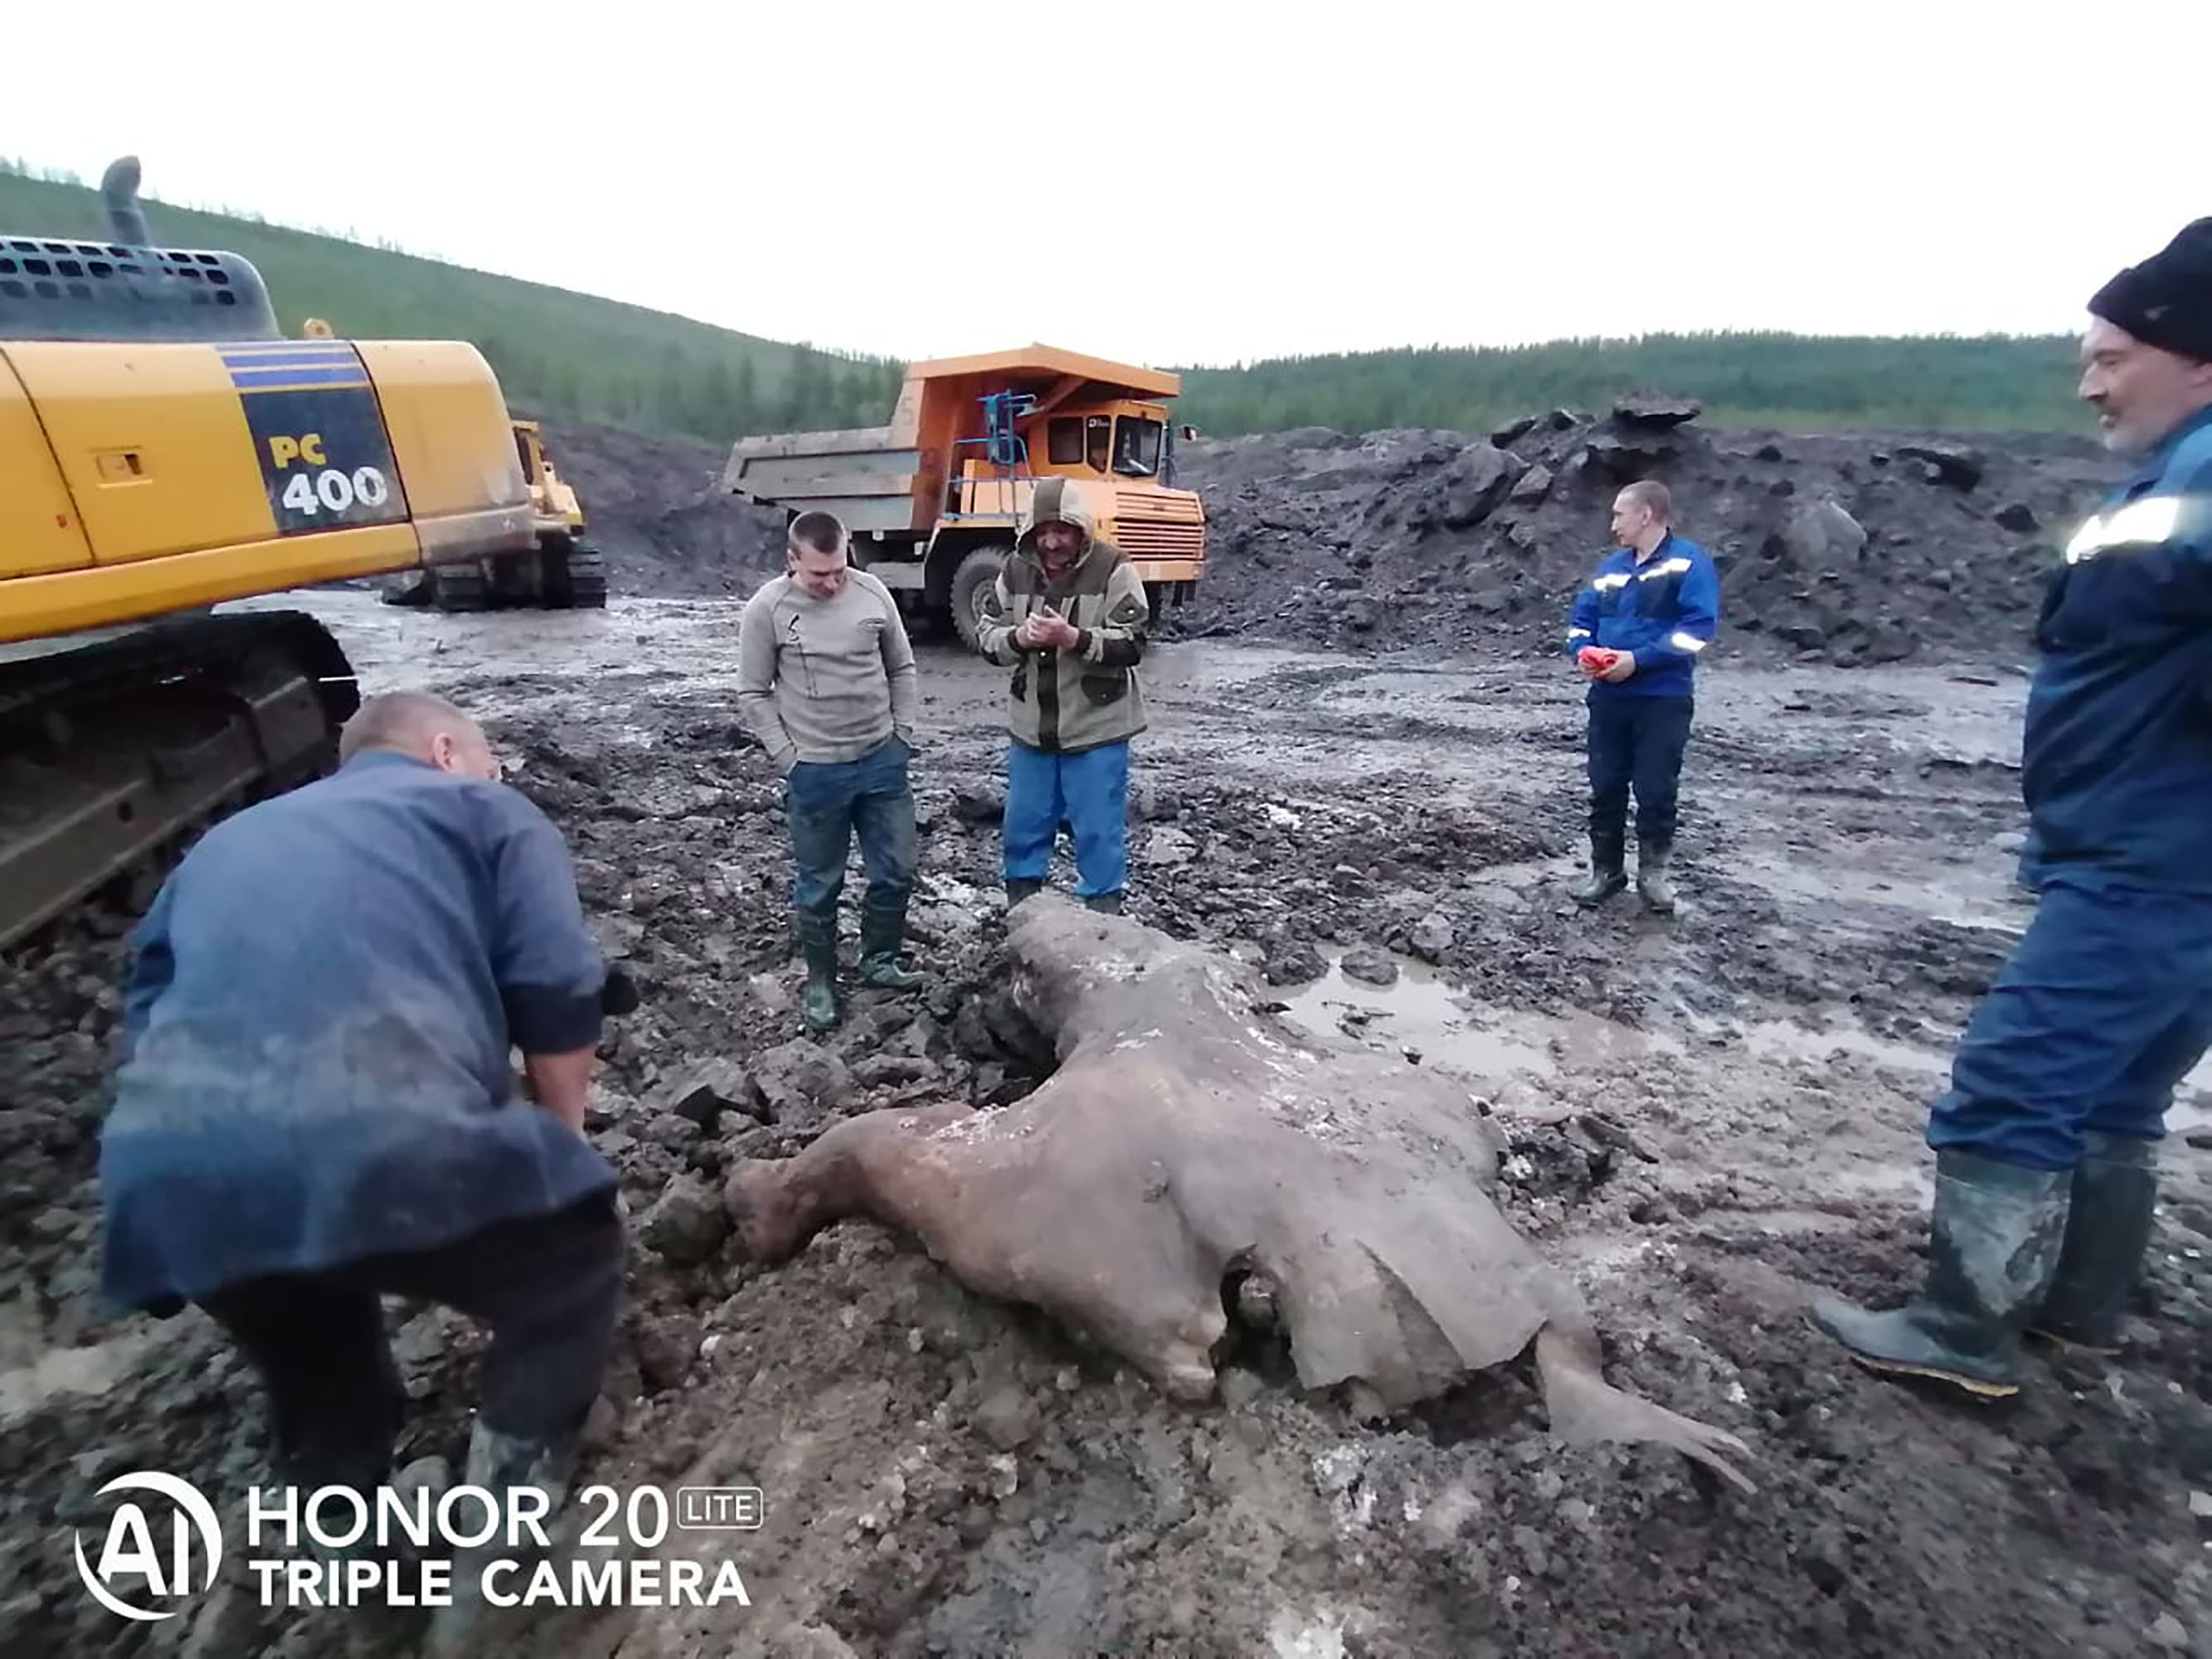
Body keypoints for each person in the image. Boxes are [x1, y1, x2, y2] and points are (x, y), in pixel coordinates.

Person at [1811, 218, 2212, 1401]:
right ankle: (2073, 1310)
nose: (2087, 382)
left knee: (2010, 1081)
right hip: (2151, 848)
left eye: (2109, 355)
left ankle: (1962, 1328)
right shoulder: (2171, 474)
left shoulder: (2199, 476)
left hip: (2149, 856)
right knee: (2113, 1089)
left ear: (2195, 352)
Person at [96, 690, 628, 1570]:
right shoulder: (483, 807)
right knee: (573, 1263)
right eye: (489, 760)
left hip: (170, 1175)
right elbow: (557, 987)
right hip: (376, 1118)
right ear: (449, 749)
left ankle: (359, 1582)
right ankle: (497, 1564)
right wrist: (561, 1150)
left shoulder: (224, 844)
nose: (494, 775)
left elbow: (147, 1017)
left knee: (324, 1378)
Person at [737, 508, 924, 1030]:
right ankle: (821, 981)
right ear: (791, 560)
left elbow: (901, 667)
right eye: (819, 574)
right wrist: (788, 758)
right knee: (820, 884)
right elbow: (753, 693)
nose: (832, 581)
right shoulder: (767, 610)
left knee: (897, 870)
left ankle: (880, 959)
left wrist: (901, 734)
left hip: (882, 761)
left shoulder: (871, 594)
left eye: (839, 569)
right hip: (816, 770)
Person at [975, 476, 1151, 913]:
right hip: (1032, 728)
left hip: (1095, 727)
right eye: (1044, 531)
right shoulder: (1015, 570)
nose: (1052, 542)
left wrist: (1073, 636)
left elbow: (1133, 644)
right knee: (1024, 825)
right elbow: (986, 636)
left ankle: (1103, 922)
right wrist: (1019, 637)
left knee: (1097, 830)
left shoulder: (1113, 568)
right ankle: (1022, 916)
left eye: (1062, 531)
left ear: (1081, 530)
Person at [1563, 479, 1721, 913]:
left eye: (1619, 514)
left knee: (1655, 789)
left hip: (1661, 699)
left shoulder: (1689, 564)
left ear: (1646, 515)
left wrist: (1639, 660)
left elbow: (1698, 631)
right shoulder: (1612, 568)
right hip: (1609, 698)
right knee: (1605, 786)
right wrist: (1583, 650)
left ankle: (1653, 876)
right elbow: (1581, 620)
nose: (1613, 524)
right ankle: (1606, 871)